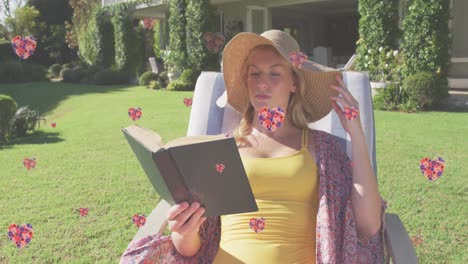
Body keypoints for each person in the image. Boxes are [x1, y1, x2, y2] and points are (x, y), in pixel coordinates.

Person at [120, 30, 387, 263]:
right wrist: (183, 231)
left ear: (294, 82)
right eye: (255, 73)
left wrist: (356, 133)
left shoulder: (322, 148)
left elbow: (368, 225)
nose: (262, 83)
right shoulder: (217, 150)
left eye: (275, 73)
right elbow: (189, 251)